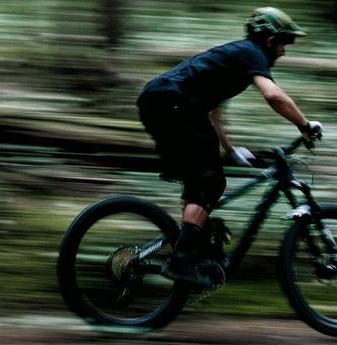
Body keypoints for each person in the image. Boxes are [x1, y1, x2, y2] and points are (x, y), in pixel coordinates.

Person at [136, 7, 323, 287]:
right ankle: (181, 261)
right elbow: (273, 95)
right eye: (285, 42)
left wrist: (230, 149)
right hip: (173, 104)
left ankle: (191, 243)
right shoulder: (251, 53)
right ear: (270, 40)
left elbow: (215, 112)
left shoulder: (234, 58)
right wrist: (304, 125)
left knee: (201, 181)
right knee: (210, 183)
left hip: (161, 103)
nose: (284, 51)